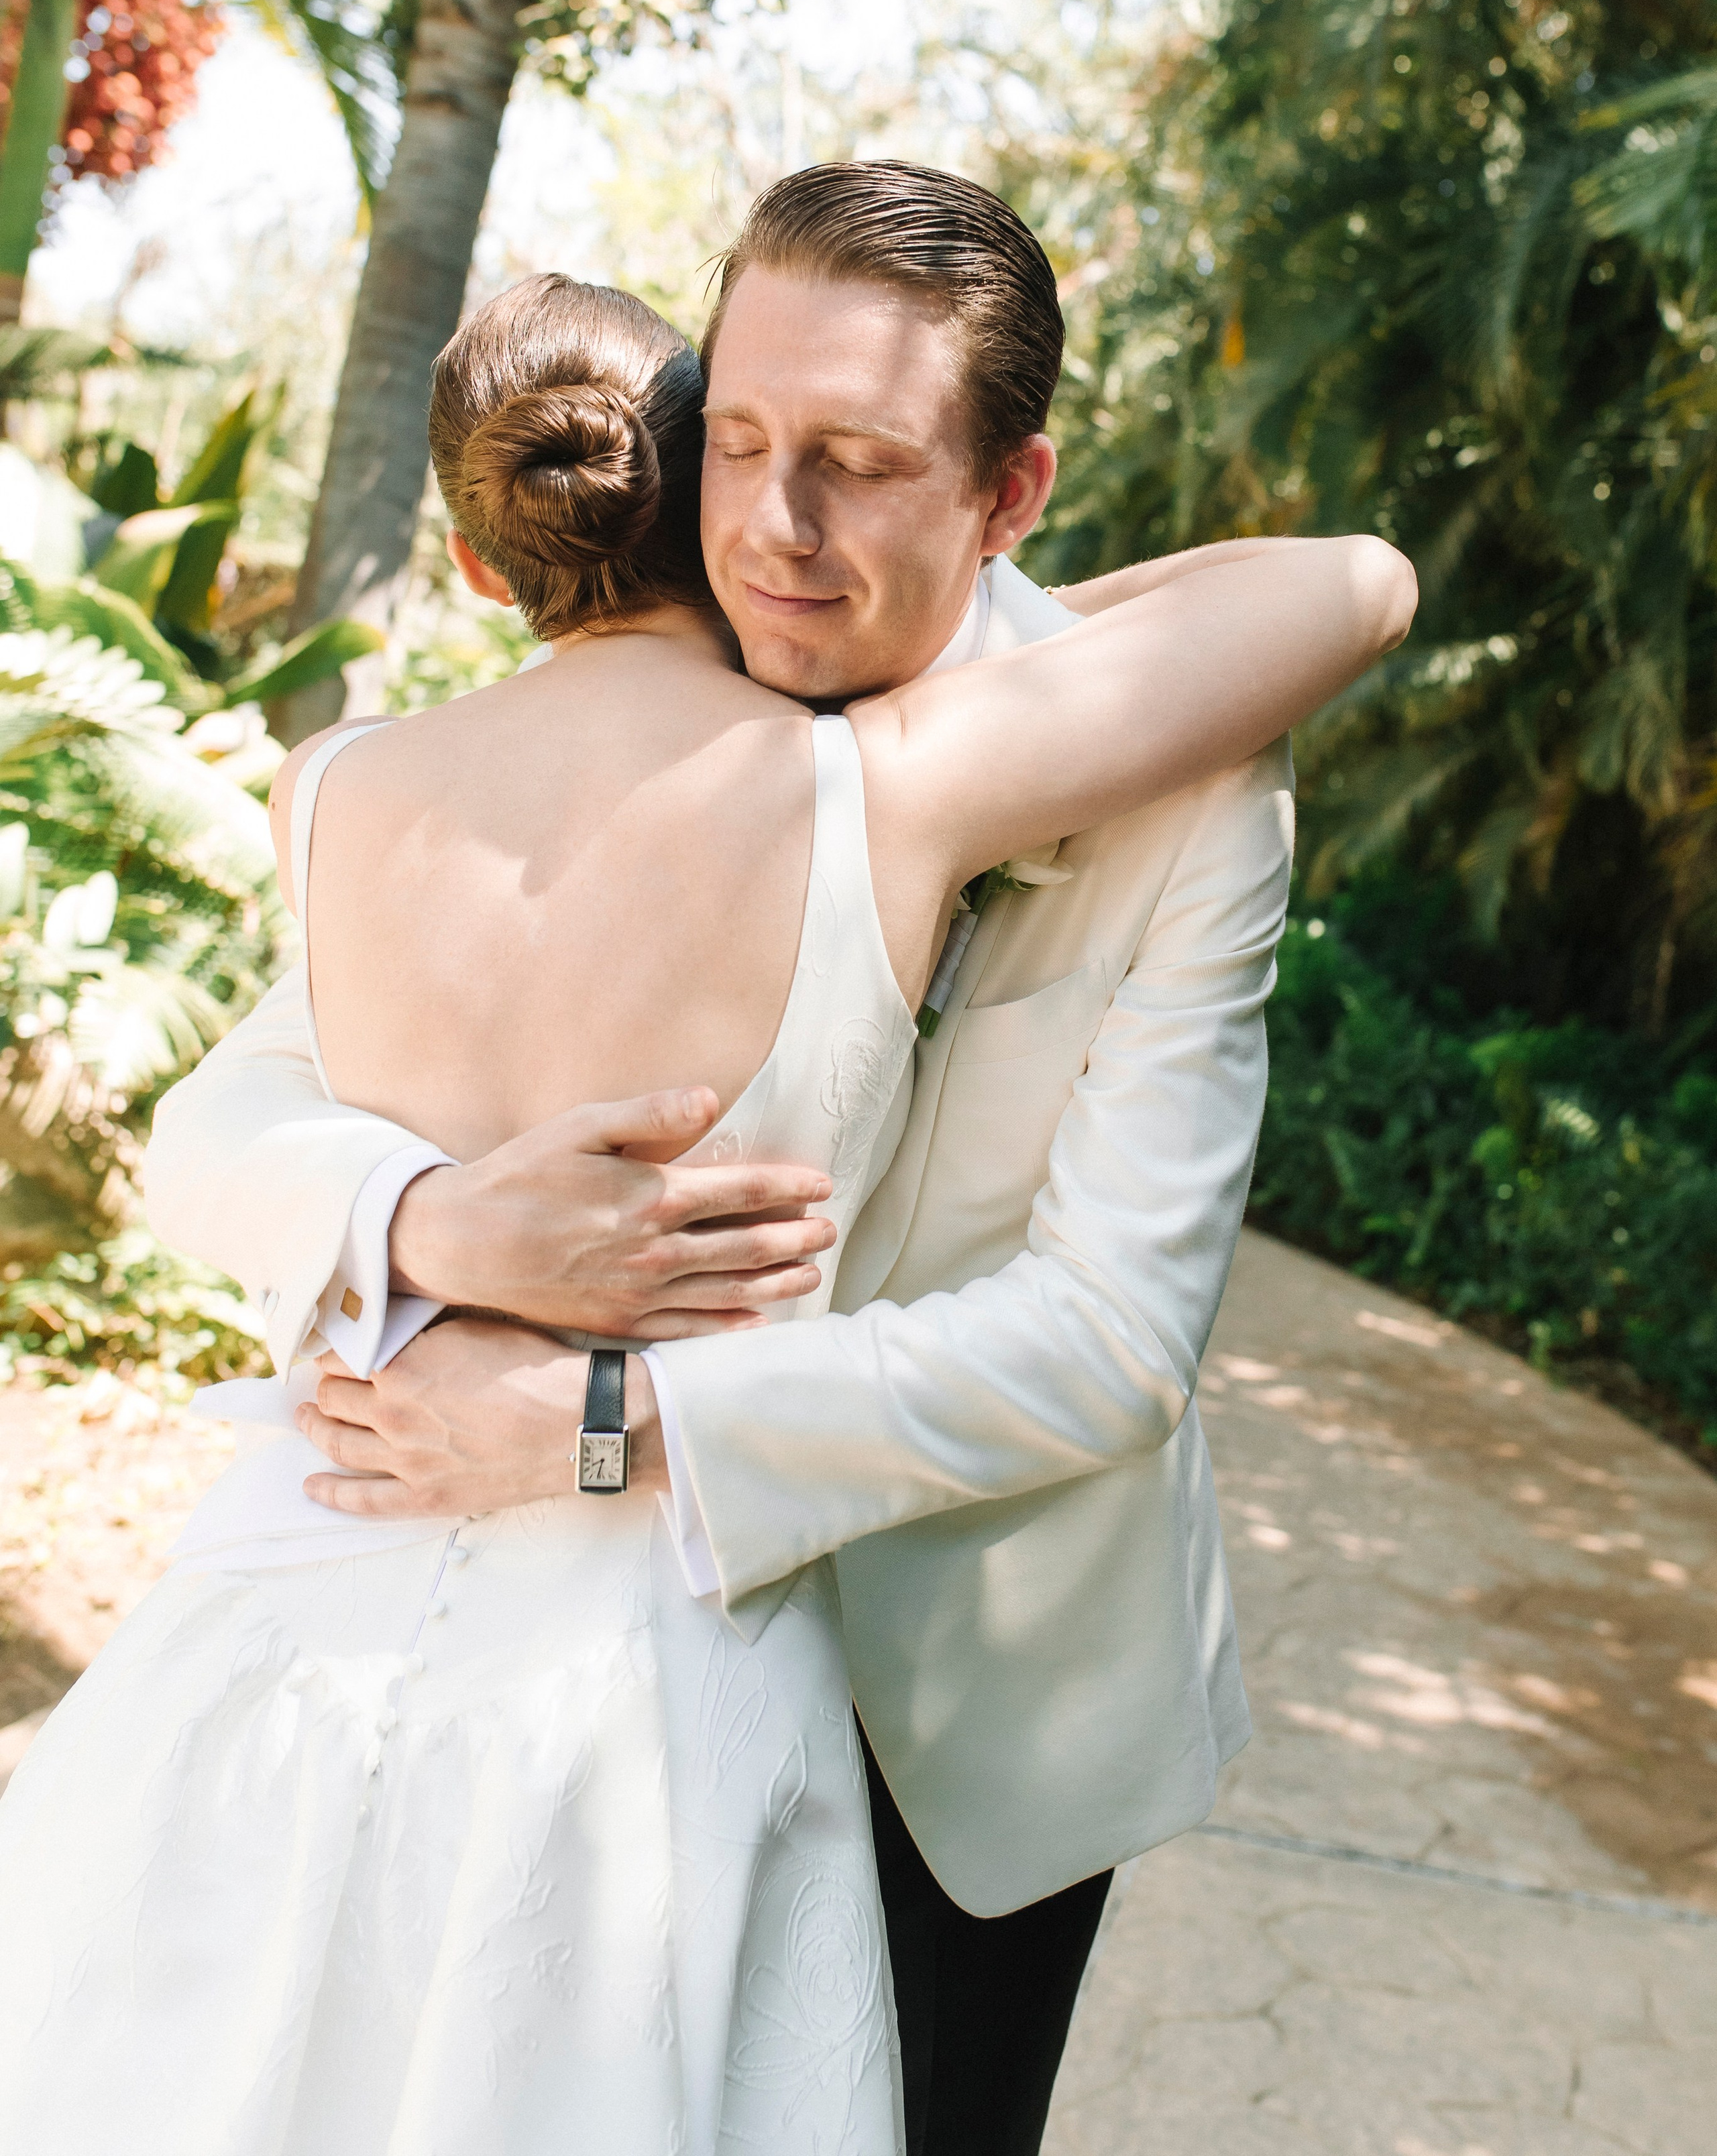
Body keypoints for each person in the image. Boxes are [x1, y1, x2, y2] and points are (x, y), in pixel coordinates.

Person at [119, 165, 1417, 2156]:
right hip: (593, 1689)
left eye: (865, 466)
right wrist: (423, 1215)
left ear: (1012, 493)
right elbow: (230, 1111)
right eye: (735, 442)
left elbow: (1108, 1342)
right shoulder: (650, 681)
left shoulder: (1182, 787)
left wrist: (598, 1414)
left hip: (965, 1722)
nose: (774, 534)